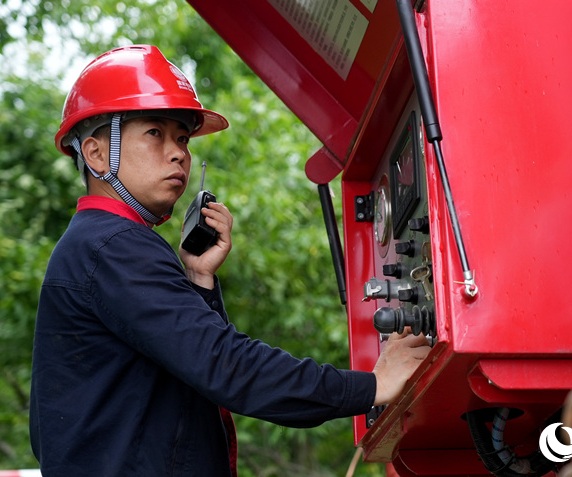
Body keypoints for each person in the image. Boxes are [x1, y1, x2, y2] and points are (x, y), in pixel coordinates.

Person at [29, 44, 430, 477]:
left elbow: (186, 377)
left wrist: (198, 279)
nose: (178, 152)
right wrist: (372, 385)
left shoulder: (99, 244)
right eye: (155, 132)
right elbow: (227, 366)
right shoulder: (115, 245)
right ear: (95, 154)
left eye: (182, 138)